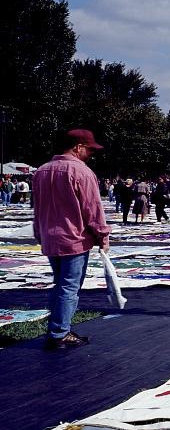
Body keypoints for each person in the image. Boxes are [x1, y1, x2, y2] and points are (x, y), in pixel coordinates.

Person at [32, 129, 111, 348]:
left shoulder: (41, 171)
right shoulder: (81, 172)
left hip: (50, 237)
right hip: (74, 238)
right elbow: (92, 209)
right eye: (89, 149)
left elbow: (36, 208)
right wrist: (102, 235)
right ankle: (59, 333)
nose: (91, 154)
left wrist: (39, 232)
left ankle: (57, 326)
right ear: (78, 147)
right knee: (69, 286)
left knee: (60, 284)